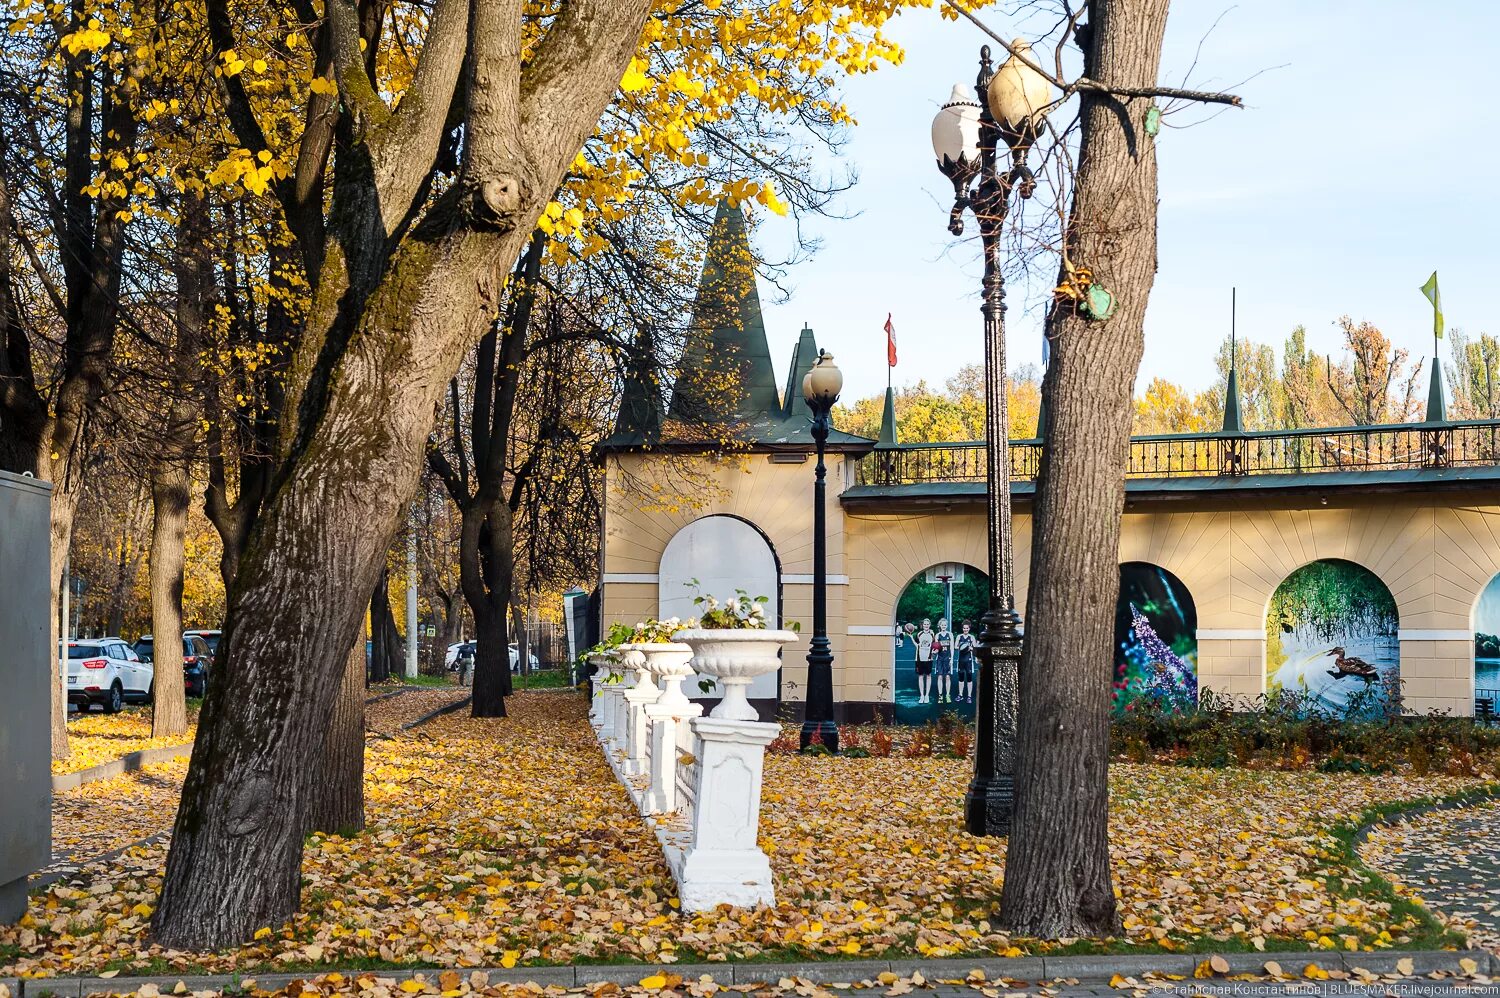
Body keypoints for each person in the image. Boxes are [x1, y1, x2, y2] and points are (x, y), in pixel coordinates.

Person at [955, 620, 978, 704]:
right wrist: (962, 646)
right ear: (962, 628)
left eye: (967, 628)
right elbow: (955, 646)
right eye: (964, 628)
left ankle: (969, 696)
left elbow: (975, 649)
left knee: (969, 679)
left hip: (968, 660)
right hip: (961, 660)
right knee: (960, 678)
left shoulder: (971, 637)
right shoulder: (959, 637)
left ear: (969, 628)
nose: (965, 630)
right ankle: (960, 695)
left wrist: (971, 648)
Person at [914, 618, 936, 704]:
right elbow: (917, 645)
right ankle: (922, 695)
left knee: (928, 676)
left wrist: (934, 651)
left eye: (927, 624)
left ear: (929, 625)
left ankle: (927, 695)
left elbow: (935, 645)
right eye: (924, 624)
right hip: (919, 658)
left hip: (929, 658)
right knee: (920, 676)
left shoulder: (932, 633)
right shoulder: (919, 634)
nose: (926, 626)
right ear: (922, 625)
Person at [933, 618, 954, 704]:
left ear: (947, 625)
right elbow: (936, 648)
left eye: (945, 625)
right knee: (940, 676)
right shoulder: (937, 635)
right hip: (940, 658)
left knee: (948, 677)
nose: (944, 626)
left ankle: (948, 695)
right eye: (942, 625)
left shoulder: (950, 635)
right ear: (940, 626)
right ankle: (940, 695)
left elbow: (952, 647)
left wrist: (952, 658)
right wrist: (934, 651)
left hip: (947, 658)